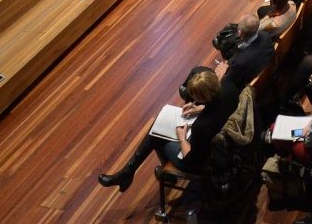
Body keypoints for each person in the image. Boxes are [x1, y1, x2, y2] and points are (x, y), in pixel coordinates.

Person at [97, 66, 235, 192]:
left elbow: (190, 159)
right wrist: (199, 108)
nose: (193, 100)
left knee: (157, 135)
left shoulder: (202, 126)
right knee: (156, 130)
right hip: (228, 147)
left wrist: (181, 138)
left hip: (202, 162)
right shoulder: (230, 89)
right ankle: (128, 172)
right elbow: (217, 106)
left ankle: (139, 174)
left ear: (202, 97)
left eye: (195, 98)